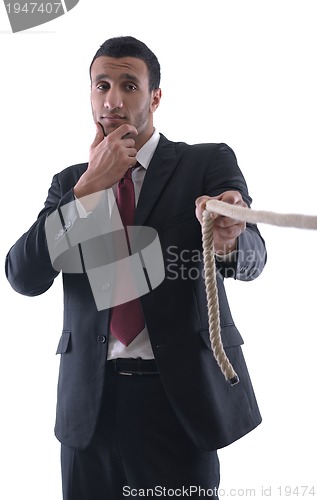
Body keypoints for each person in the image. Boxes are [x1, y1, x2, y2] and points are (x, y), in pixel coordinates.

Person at [5, 36, 267, 499]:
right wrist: (88, 189)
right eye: (101, 85)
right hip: (90, 408)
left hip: (179, 404)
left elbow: (254, 259)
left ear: (155, 96)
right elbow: (24, 276)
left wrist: (230, 237)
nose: (113, 99)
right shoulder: (70, 183)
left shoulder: (205, 162)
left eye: (129, 85)